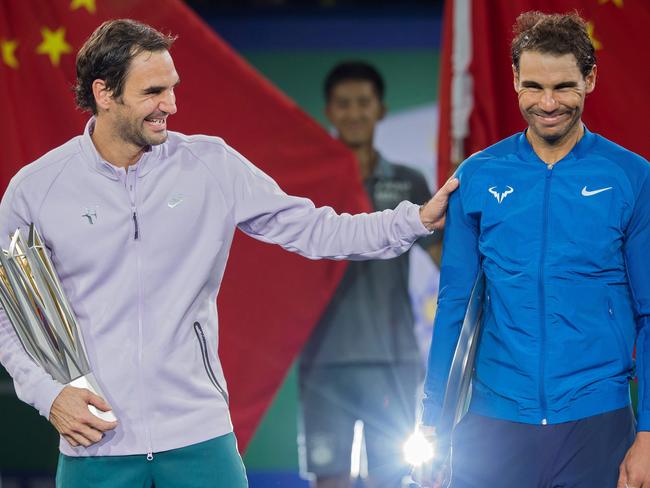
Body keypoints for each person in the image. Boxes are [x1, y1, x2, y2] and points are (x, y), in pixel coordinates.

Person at [0, 19, 458, 488]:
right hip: (95, 442)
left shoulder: (210, 164)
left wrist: (415, 220)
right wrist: (48, 394)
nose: (171, 105)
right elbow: (6, 310)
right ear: (104, 93)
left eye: (173, 89)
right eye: (153, 91)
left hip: (200, 436)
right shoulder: (37, 188)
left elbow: (316, 229)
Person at [417, 11, 650, 488]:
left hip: (596, 421)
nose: (548, 103)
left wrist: (647, 434)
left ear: (590, 79)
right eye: (534, 86)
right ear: (515, 80)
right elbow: (455, 310)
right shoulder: (478, 176)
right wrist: (433, 424)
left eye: (564, 86)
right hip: (493, 422)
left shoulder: (632, 177)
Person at [298, 61, 440, 488]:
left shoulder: (409, 183)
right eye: (344, 104)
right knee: (330, 480)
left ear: (381, 109)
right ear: (329, 111)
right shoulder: (308, 183)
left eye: (364, 102)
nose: (354, 112)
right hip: (324, 360)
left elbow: (444, 259)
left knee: (391, 478)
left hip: (393, 360)